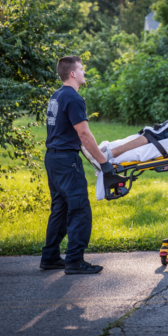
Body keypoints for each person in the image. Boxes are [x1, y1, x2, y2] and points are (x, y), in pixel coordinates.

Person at [41, 55, 111, 274]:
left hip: (53, 158)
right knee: (79, 209)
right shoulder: (73, 98)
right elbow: (84, 134)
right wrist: (104, 163)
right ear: (72, 73)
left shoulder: (57, 95)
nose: (84, 72)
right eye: (81, 69)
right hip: (66, 161)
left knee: (60, 209)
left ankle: (50, 257)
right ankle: (74, 261)